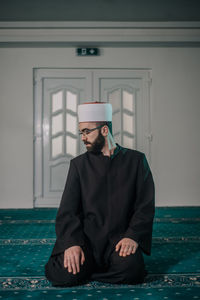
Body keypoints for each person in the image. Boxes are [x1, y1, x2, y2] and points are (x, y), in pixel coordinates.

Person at [45, 101, 155, 287]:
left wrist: (133, 236)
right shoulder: (79, 165)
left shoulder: (136, 161)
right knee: (62, 275)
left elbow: (145, 206)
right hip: (86, 240)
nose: (83, 137)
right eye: (81, 132)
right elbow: (68, 210)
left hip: (120, 241)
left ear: (104, 130)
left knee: (132, 273)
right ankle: (95, 269)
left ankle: (90, 272)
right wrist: (72, 243)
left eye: (87, 131)